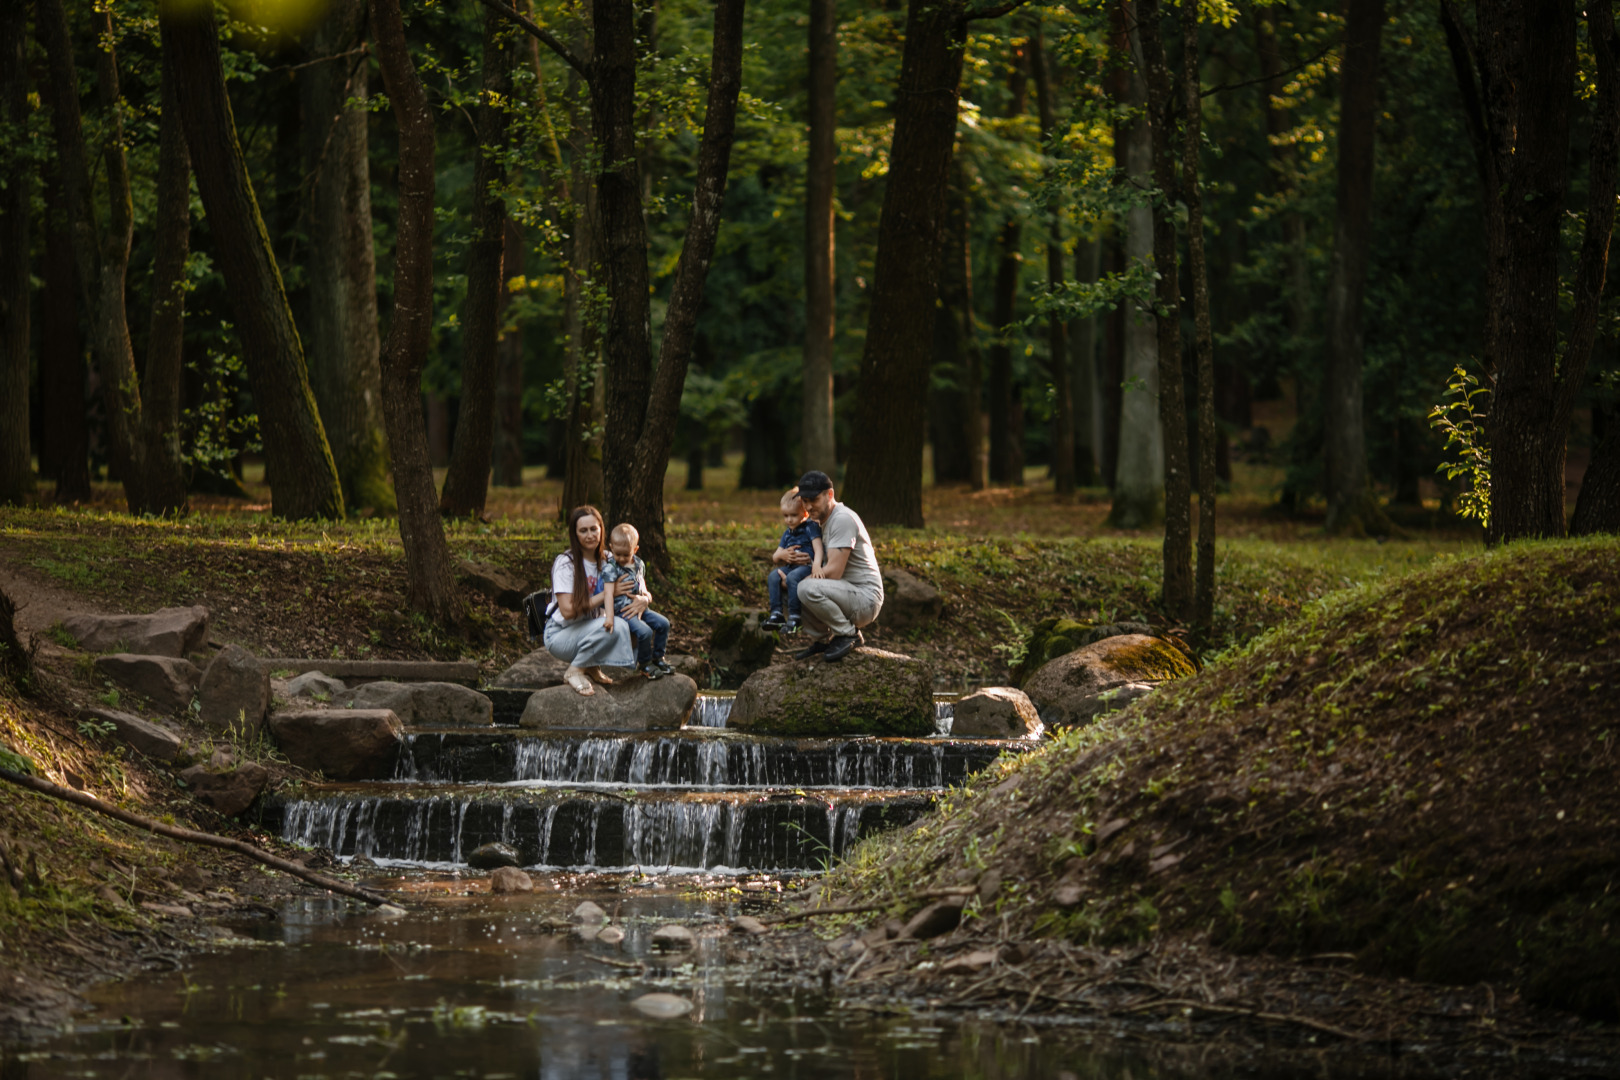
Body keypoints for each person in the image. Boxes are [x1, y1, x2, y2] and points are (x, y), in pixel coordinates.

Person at [544, 505, 644, 696]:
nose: (590, 535)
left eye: (593, 529)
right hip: (560, 634)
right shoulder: (566, 563)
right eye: (583, 530)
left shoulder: (610, 559)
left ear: (601, 530)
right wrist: (608, 594)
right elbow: (567, 611)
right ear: (575, 534)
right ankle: (575, 670)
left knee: (637, 622)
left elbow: (637, 586)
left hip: (591, 629)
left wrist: (644, 599)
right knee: (615, 625)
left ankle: (591, 666)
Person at [788, 471, 884, 662]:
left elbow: (833, 571)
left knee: (804, 587)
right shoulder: (815, 524)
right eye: (804, 501)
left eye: (813, 500)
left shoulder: (842, 519)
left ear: (829, 495)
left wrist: (799, 582)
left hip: (865, 598)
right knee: (784, 586)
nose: (807, 506)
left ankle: (849, 634)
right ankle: (823, 639)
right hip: (841, 592)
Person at [599, 523, 674, 678]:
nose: (620, 558)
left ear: (635, 549)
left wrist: (645, 597)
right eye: (617, 554)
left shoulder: (639, 564)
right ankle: (645, 664)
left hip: (640, 608)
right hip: (623, 611)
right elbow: (607, 594)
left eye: (625, 555)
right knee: (644, 631)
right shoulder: (610, 569)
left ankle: (658, 658)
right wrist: (610, 618)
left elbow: (642, 585)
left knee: (663, 624)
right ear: (611, 547)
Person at [762, 489, 824, 634]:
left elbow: (819, 548)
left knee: (792, 577)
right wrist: (783, 554)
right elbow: (775, 557)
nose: (789, 520)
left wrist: (816, 565)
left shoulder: (810, 527)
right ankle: (776, 614)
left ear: (805, 513)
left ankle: (795, 616)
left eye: (794, 515)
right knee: (773, 576)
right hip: (791, 567)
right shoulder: (788, 532)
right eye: (786, 516)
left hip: (806, 567)